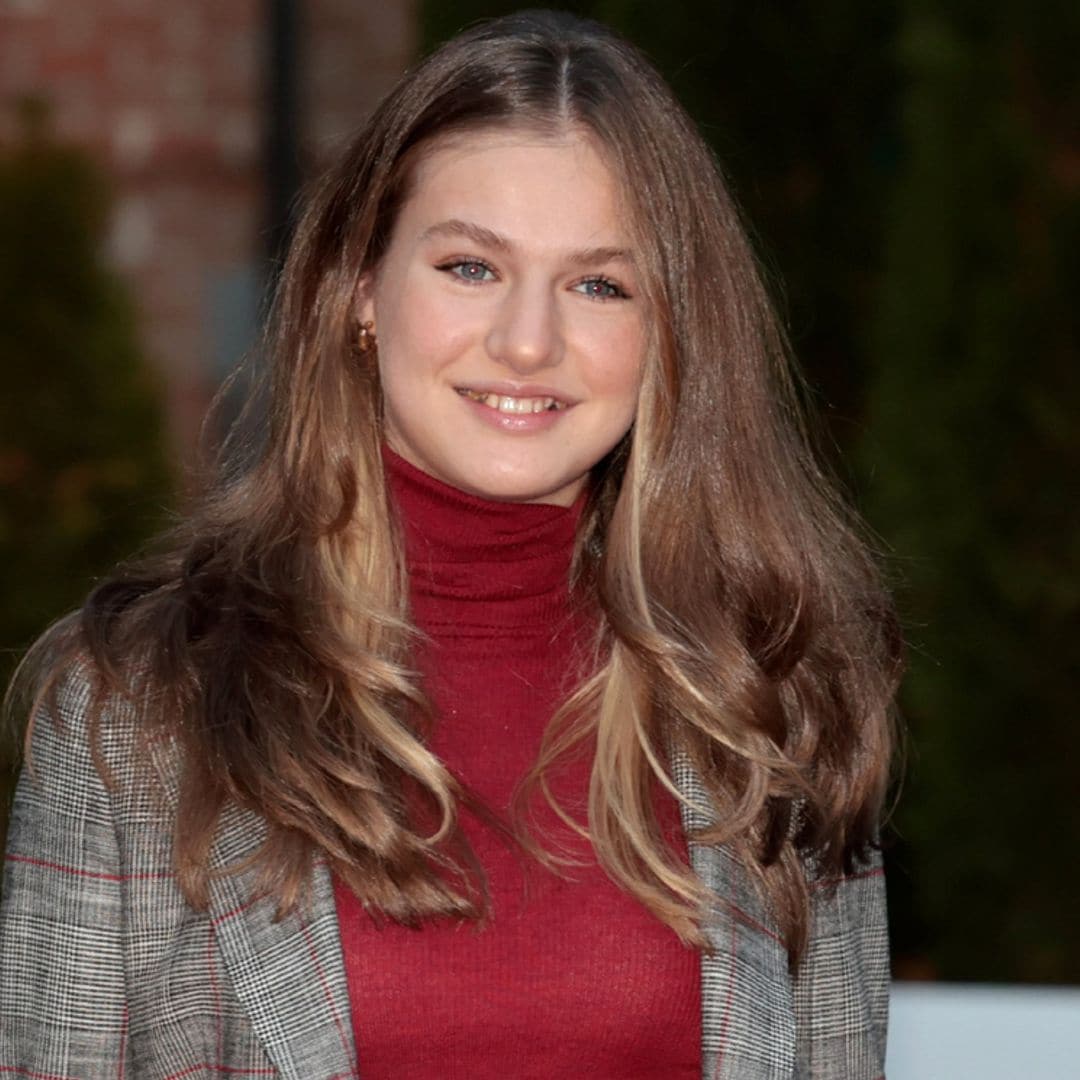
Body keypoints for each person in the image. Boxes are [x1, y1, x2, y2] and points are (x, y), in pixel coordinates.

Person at [0, 10, 901, 1079]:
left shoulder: (774, 698)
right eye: (471, 267)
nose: (529, 340)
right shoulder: (141, 708)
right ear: (358, 290)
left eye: (599, 284)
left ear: (670, 332)